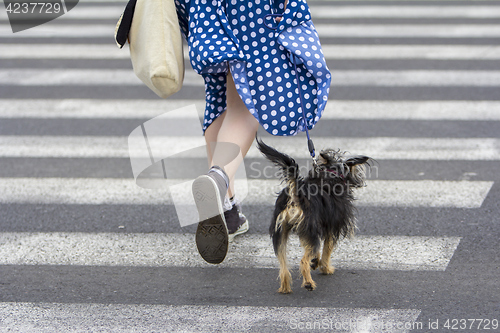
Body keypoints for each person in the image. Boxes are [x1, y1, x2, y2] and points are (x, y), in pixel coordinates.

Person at [175, 0, 331, 264]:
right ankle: (219, 177)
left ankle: (227, 209)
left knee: (219, 94)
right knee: (243, 106)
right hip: (250, 7)